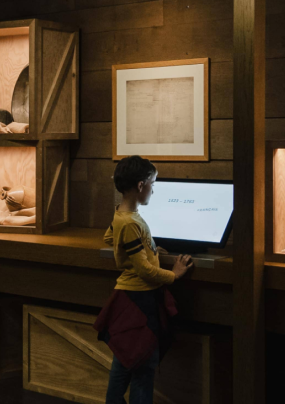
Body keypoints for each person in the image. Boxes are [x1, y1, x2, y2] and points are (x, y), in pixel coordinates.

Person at [92, 156, 193, 404]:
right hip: (139, 299)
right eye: (152, 184)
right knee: (143, 364)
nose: (153, 190)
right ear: (140, 185)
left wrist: (151, 248)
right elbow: (145, 271)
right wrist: (174, 274)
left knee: (126, 359)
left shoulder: (123, 215)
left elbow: (109, 238)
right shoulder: (130, 222)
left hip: (130, 297)